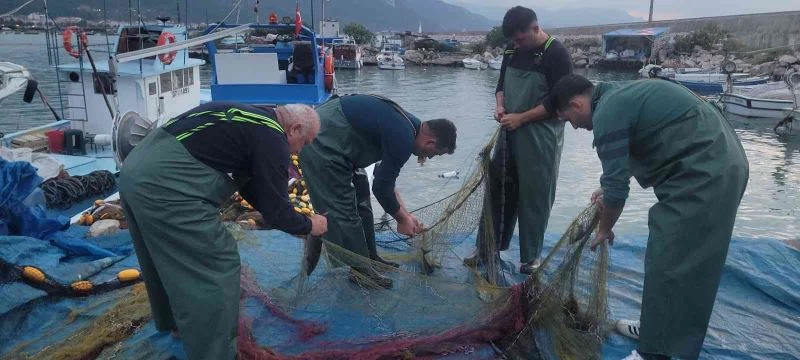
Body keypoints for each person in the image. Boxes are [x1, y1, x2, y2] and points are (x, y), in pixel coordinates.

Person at [549, 74, 749, 360]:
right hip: (719, 162)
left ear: (576, 104)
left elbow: (618, 192)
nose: (574, 126)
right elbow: (637, 147)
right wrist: (607, 186)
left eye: (567, 119)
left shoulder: (607, 113)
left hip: (704, 173)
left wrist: (604, 229)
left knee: (669, 260)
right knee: (683, 261)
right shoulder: (616, 94)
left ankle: (652, 353)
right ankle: (658, 329)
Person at [119, 101, 328, 360]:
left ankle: (176, 324)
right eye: (305, 143)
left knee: (162, 257)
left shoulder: (255, 116)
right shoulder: (273, 138)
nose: (302, 150)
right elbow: (276, 210)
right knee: (217, 263)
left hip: (134, 170)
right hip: (165, 187)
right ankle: (215, 352)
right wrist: (310, 224)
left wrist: (292, 220)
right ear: (294, 128)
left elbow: (252, 189)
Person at [299, 94, 457, 289]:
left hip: (342, 144)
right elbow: (381, 188)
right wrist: (401, 219)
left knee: (362, 198)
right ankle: (360, 271)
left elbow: (387, 180)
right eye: (435, 154)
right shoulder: (404, 137)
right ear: (431, 143)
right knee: (344, 210)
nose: (430, 158)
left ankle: (370, 257)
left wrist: (406, 215)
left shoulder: (410, 127)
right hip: (321, 141)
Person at [465, 6, 573, 274]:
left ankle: (530, 258)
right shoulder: (512, 51)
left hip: (541, 137)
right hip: (509, 130)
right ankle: (486, 248)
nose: (517, 44)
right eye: (513, 39)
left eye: (521, 38)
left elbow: (559, 101)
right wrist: (500, 107)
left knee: (535, 195)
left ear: (535, 29)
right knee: (498, 190)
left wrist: (522, 118)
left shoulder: (556, 54)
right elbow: (500, 85)